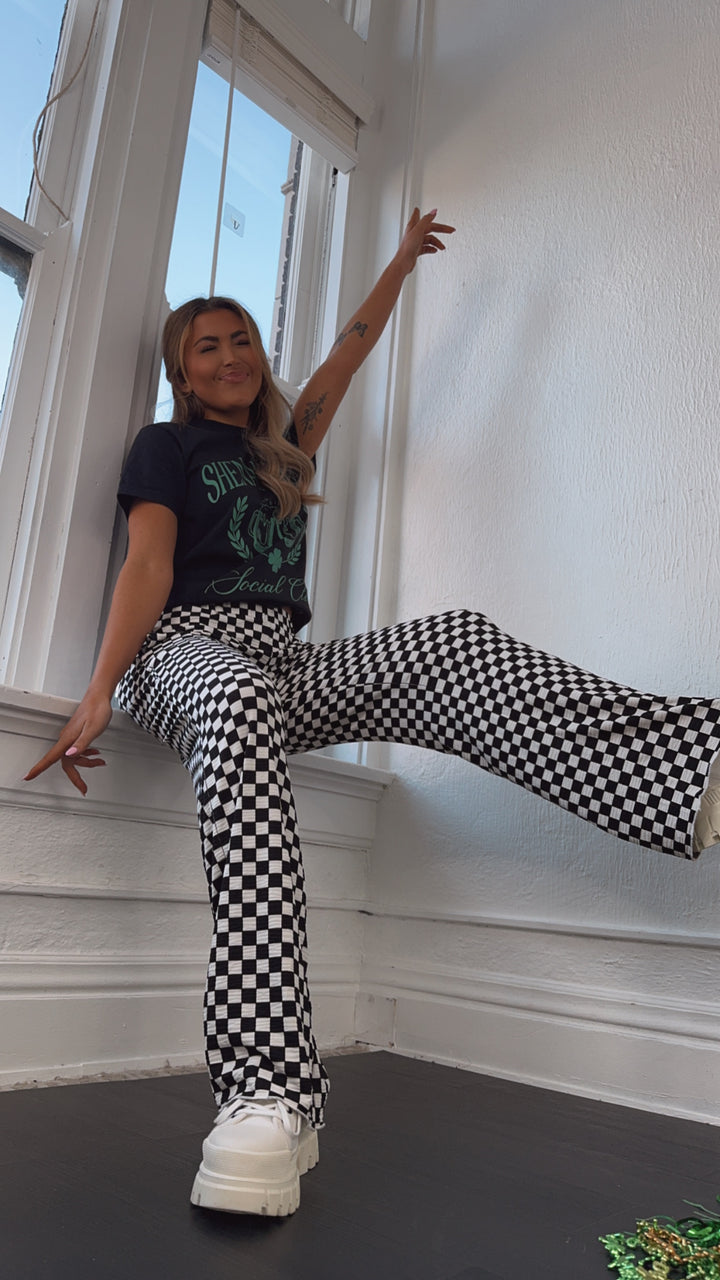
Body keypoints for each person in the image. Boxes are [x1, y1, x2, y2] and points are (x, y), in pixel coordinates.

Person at [24, 208, 720, 1218]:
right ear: (182, 371)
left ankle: (688, 766)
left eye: (241, 339)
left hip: (282, 662)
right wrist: (100, 688)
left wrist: (397, 264)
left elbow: (345, 357)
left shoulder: (286, 447)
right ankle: (268, 1090)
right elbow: (147, 565)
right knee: (233, 698)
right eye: (206, 346)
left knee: (451, 641)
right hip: (184, 652)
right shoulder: (165, 447)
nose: (229, 355)